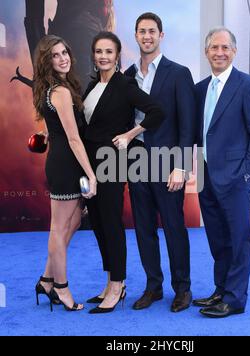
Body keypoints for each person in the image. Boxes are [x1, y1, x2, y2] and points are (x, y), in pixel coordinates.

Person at [82, 31, 164, 314]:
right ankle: (109, 281)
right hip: (89, 164)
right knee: (98, 223)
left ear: (117, 56)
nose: (103, 56)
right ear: (94, 55)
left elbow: (156, 112)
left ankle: (117, 284)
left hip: (112, 162)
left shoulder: (126, 85)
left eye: (109, 51)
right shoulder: (92, 86)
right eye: (99, 51)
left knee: (111, 223)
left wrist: (130, 134)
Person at [194, 28, 250, 318]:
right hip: (206, 178)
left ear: (234, 51)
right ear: (206, 52)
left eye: (225, 47)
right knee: (217, 238)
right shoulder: (200, 89)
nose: (220, 52)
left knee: (239, 239)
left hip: (236, 178)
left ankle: (235, 299)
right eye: (214, 47)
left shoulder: (248, 85)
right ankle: (221, 289)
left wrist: (248, 174)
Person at [125, 13, 196, 313]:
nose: (147, 36)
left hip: (169, 163)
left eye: (152, 31)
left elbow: (187, 123)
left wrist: (182, 166)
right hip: (136, 161)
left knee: (174, 226)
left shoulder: (178, 73)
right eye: (141, 31)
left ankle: (182, 289)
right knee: (143, 227)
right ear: (136, 35)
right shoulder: (127, 76)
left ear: (161, 35)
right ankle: (153, 287)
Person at [33, 35, 97, 312]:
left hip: (65, 161)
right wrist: (91, 175)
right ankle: (61, 288)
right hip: (66, 164)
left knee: (71, 225)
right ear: (48, 62)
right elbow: (73, 138)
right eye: (56, 56)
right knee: (59, 228)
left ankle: (47, 280)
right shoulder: (59, 91)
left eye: (64, 53)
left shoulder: (56, 88)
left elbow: (57, 128)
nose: (63, 58)